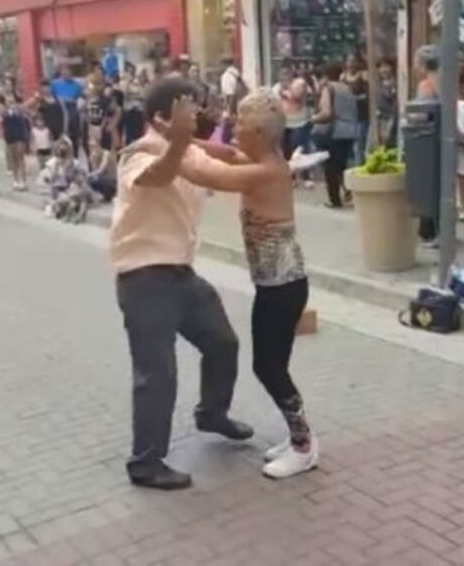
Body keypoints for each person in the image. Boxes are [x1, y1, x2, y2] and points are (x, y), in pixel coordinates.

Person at [111, 77, 255, 490]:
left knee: (222, 342)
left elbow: (218, 169)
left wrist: (264, 167)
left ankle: (212, 414)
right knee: (157, 374)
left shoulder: (188, 150)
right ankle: (145, 464)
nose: (198, 113)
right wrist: (180, 143)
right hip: (143, 278)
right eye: (188, 107)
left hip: (180, 275)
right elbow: (158, 175)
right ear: (161, 117)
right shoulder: (137, 155)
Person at [195, 88, 318, 478]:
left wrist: (168, 150)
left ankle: (304, 446)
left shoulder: (268, 170)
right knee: (270, 364)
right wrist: (178, 141)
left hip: (284, 287)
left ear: (262, 134)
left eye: (241, 123)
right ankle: (298, 437)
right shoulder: (263, 158)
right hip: (275, 285)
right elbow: (227, 155)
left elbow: (213, 173)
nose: (232, 126)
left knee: (268, 367)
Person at [311, 62, 359, 209]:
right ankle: (350, 193)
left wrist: (313, 118)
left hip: (334, 132)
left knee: (331, 167)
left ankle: (334, 200)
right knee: (343, 165)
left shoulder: (328, 88)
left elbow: (327, 113)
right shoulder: (347, 88)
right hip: (349, 131)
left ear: (324, 77)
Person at [413, 45, 441, 244]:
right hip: (442, 138)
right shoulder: (444, 81)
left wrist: (410, 117)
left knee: (427, 185)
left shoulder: (426, 85)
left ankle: (429, 230)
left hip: (427, 140)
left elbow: (422, 114)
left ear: (423, 65)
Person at [272, 65, 314, 189]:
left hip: (299, 122)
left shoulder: (299, 83)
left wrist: (285, 92)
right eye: (282, 75)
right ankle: (291, 178)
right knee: (286, 151)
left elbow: (297, 97)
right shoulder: (276, 88)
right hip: (284, 123)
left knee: (300, 150)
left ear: (291, 75)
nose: (284, 77)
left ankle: (307, 177)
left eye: (286, 74)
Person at [0, 76, 29, 191]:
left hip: (19, 125)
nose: (8, 87)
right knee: (13, 155)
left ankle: (23, 181)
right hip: (8, 126)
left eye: (10, 85)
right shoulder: (0, 99)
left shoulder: (17, 96)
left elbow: (23, 107)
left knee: (20, 154)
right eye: (6, 85)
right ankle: (16, 180)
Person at [51, 64, 84, 160]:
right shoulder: (55, 84)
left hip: (73, 109)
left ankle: (74, 159)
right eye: (64, 72)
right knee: (60, 137)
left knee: (74, 137)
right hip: (59, 110)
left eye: (68, 72)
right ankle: (59, 159)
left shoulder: (77, 85)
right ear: (61, 73)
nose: (66, 74)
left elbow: (82, 98)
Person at [342, 54, 369, 163]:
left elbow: (368, 94)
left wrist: (356, 98)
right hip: (347, 115)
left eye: (353, 61)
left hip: (360, 114)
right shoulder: (342, 77)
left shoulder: (363, 76)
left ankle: (360, 164)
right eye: (349, 61)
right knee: (349, 143)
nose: (351, 64)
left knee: (359, 143)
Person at [86, 134, 117, 202]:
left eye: (93, 145)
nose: (92, 148)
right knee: (89, 181)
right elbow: (95, 171)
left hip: (111, 181)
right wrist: (93, 159)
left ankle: (109, 195)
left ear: (98, 144)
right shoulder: (92, 155)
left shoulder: (106, 153)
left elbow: (101, 170)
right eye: (90, 146)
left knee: (90, 179)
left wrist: (88, 175)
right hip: (102, 179)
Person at [375, 58, 398, 149]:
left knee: (388, 140)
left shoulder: (394, 82)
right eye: (381, 67)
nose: (383, 70)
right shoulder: (378, 83)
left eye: (386, 66)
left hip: (390, 116)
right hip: (380, 116)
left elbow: (390, 96)